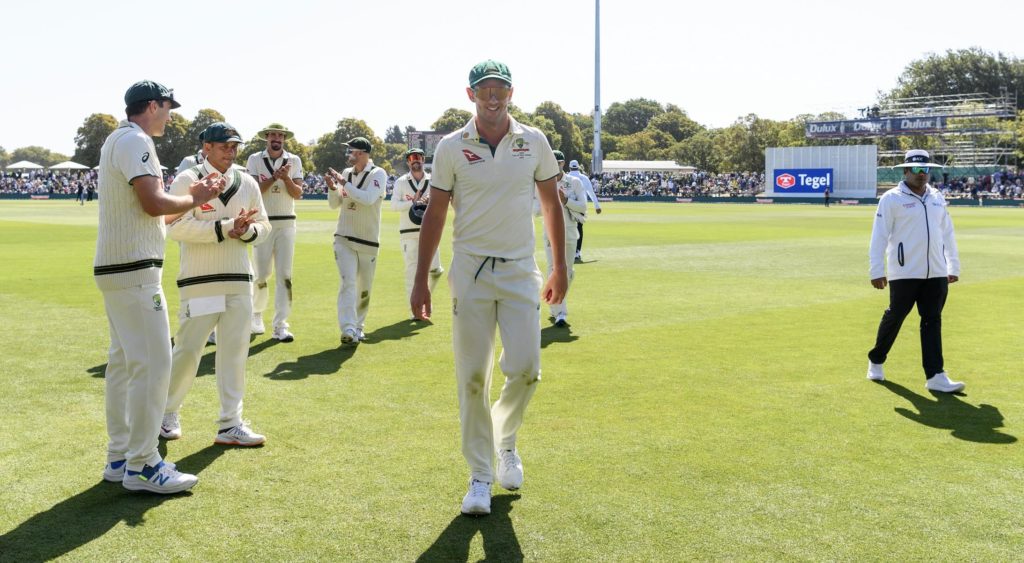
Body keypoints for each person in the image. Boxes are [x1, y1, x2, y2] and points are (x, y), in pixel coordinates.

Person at [410, 60, 568, 516]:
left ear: (511, 93)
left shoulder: (533, 140)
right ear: (471, 94)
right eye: (485, 90)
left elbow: (551, 203)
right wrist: (422, 280)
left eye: (500, 89)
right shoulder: (451, 146)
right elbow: (436, 213)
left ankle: (506, 443)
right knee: (473, 378)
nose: (493, 97)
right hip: (472, 273)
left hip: (521, 271)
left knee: (525, 370)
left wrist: (560, 266)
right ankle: (480, 475)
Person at [94, 80, 224, 494]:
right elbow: (153, 202)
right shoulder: (136, 141)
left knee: (125, 365)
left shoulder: (118, 139)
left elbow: (148, 213)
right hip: (135, 271)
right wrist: (194, 197)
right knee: (153, 366)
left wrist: (188, 199)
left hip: (118, 268)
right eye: (168, 107)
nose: (171, 114)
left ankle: (121, 456)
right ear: (152, 105)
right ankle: (145, 464)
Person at [161, 122, 271, 447]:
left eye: (234, 145)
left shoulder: (247, 181)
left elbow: (264, 226)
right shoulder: (188, 179)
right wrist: (225, 228)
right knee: (189, 350)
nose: (231, 151)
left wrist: (248, 232)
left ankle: (230, 424)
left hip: (239, 279)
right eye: (224, 145)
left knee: (235, 352)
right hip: (200, 281)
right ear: (206, 147)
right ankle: (166, 414)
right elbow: (175, 226)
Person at [867, 149, 964, 393]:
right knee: (896, 315)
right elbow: (879, 235)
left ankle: (935, 375)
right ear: (906, 170)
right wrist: (876, 269)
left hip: (937, 271)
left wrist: (953, 265)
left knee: (932, 320)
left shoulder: (937, 197)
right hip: (904, 270)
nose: (922, 174)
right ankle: (876, 360)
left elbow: (948, 233)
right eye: (917, 169)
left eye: (926, 169)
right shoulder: (891, 198)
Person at [246, 123, 305, 342]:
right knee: (261, 275)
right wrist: (274, 177)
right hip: (262, 223)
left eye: (280, 135)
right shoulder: (254, 159)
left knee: (285, 276)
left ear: (284, 139)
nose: (276, 138)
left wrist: (286, 177)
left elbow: (297, 193)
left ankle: (281, 325)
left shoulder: (294, 160)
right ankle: (256, 315)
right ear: (267, 138)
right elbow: (253, 191)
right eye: (272, 135)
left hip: (287, 224)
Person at [326, 136, 387, 345]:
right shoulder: (345, 174)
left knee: (364, 288)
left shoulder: (378, 174)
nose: (348, 155)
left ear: (361, 153)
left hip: (368, 241)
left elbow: (368, 199)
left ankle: (359, 326)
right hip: (343, 237)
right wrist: (333, 188)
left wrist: (343, 184)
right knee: (348, 282)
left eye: (350, 151)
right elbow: (335, 204)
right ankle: (348, 328)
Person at [537, 150, 586, 328]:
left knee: (568, 273)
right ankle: (561, 314)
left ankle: (554, 302)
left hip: (570, 232)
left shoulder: (574, 182)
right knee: (553, 271)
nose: (553, 167)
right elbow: (535, 209)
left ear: (562, 163)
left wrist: (565, 201)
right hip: (549, 233)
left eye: (557, 163)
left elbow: (583, 207)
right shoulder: (542, 184)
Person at [391, 147, 443, 307]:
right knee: (411, 272)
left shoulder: (433, 181)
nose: (415, 160)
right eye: (412, 158)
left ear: (423, 160)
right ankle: (415, 309)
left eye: (418, 157)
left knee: (435, 271)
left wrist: (430, 202)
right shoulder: (401, 182)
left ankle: (424, 297)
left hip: (429, 233)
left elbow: (442, 203)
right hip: (408, 233)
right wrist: (412, 202)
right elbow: (394, 205)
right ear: (408, 162)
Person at [568, 160, 601, 263]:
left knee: (567, 229)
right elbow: (591, 192)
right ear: (578, 167)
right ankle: (577, 252)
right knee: (579, 228)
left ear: (569, 167)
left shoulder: (565, 177)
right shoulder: (584, 178)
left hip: (568, 205)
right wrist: (597, 206)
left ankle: (568, 252)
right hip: (581, 206)